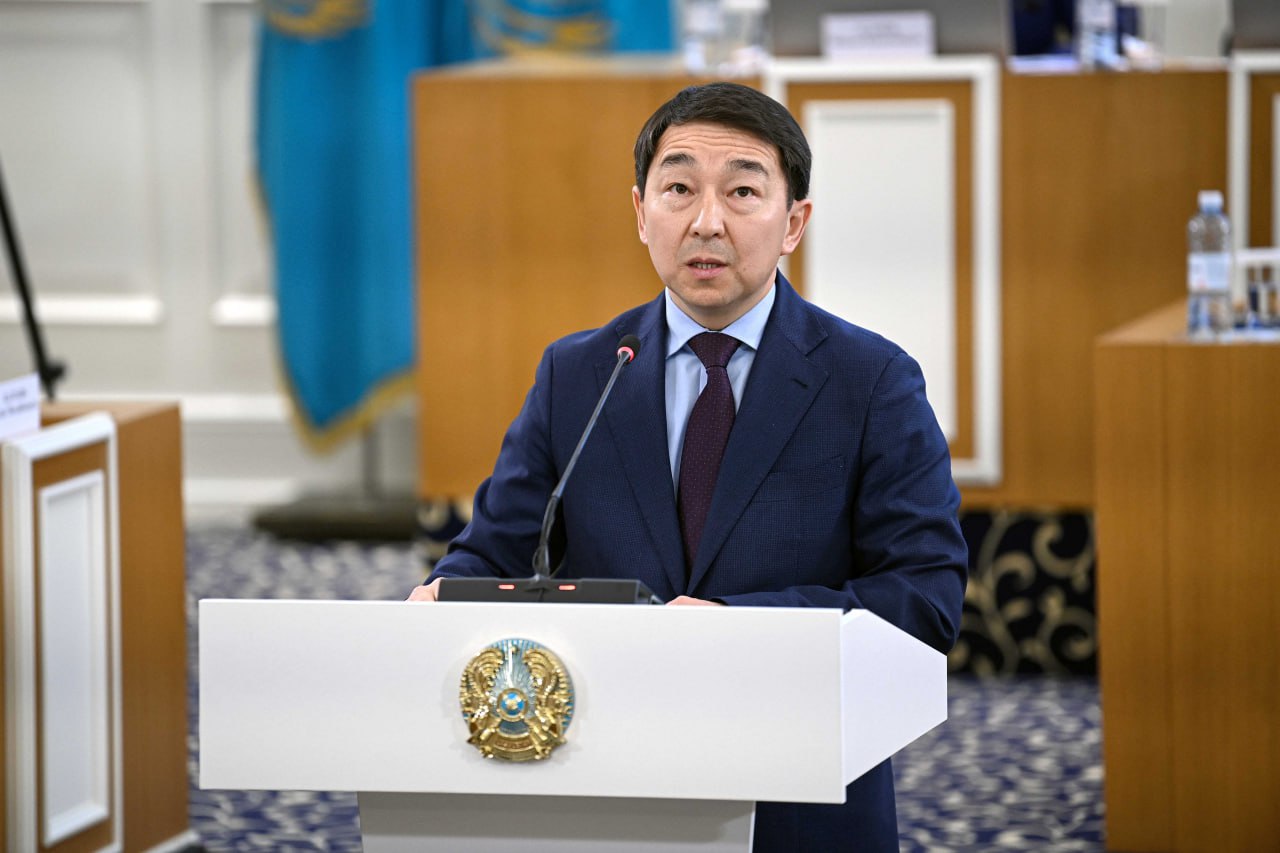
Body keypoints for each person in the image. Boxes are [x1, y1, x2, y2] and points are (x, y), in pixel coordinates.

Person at [409, 81, 967, 851]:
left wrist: (738, 627)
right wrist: (441, 595)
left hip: (798, 787)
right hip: (603, 787)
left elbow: (925, 597)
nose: (707, 221)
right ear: (642, 213)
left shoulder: (871, 381)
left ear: (794, 222)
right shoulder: (580, 373)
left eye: (742, 191)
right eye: (678, 189)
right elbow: (494, 552)